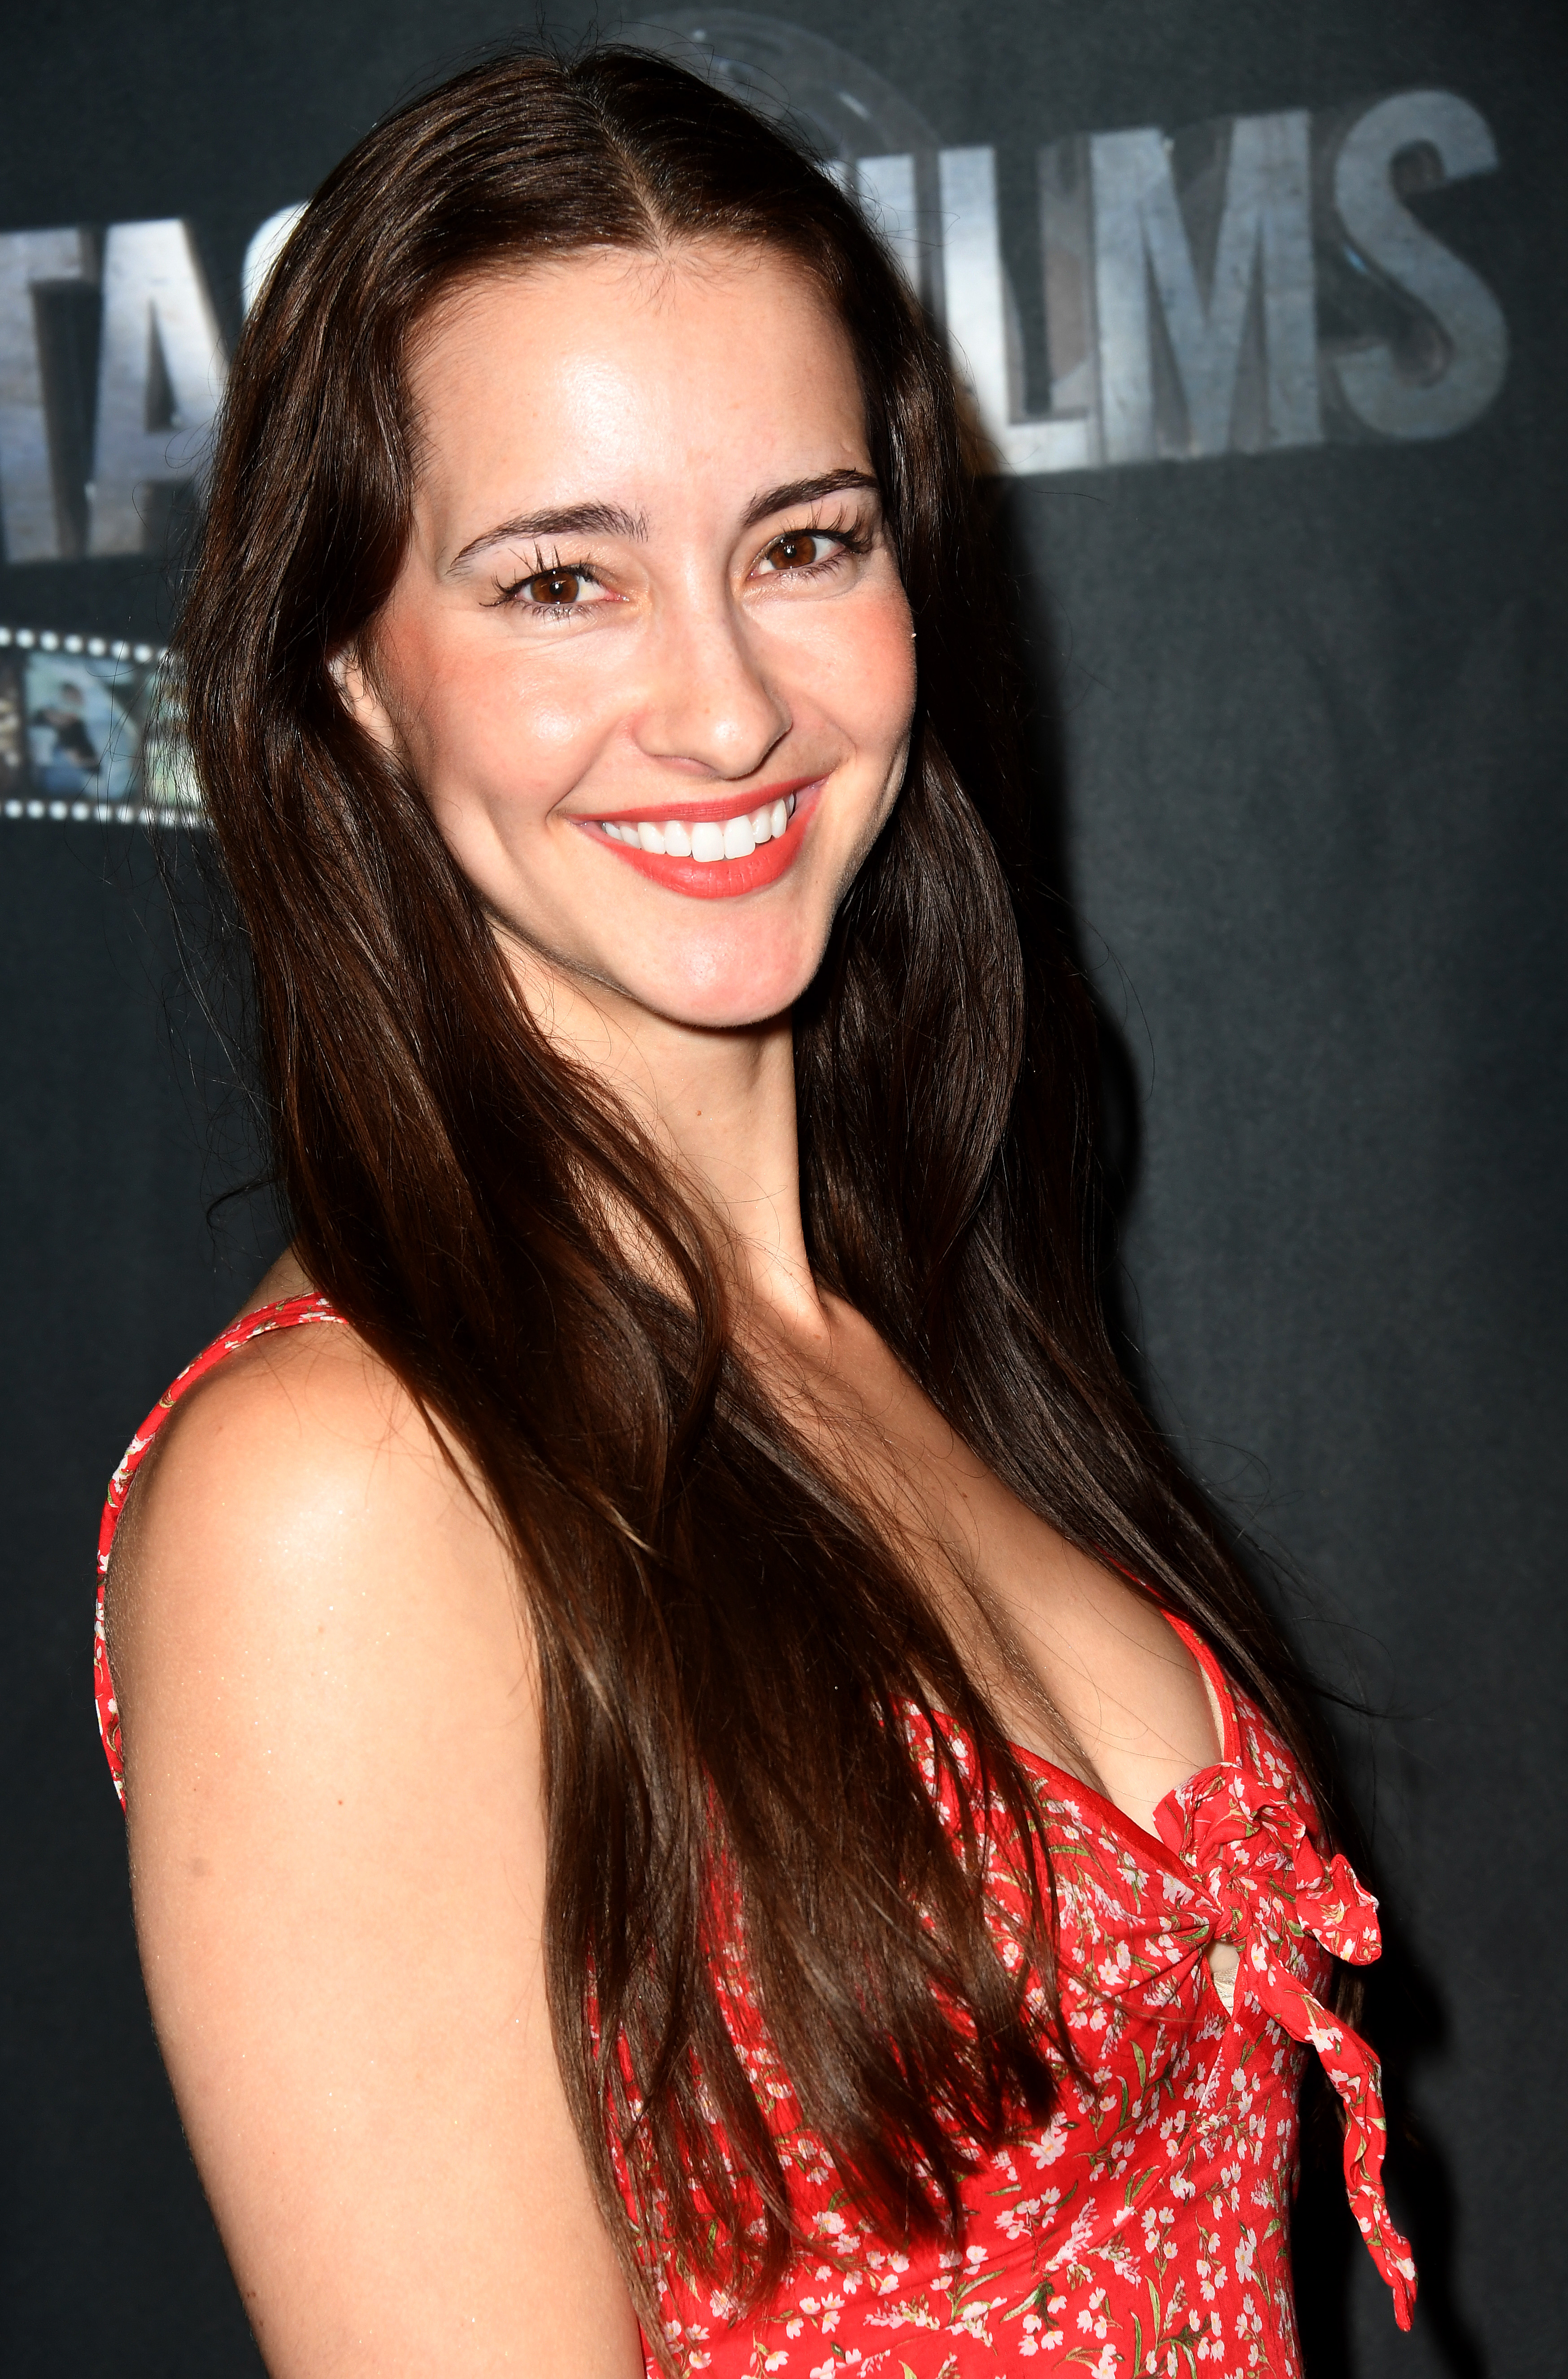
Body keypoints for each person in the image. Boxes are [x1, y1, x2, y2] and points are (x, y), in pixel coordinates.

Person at [96, 47, 1415, 2378]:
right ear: (357, 679)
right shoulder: (344, 1493)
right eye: (561, 581)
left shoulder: (902, 1328)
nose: (722, 710)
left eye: (803, 544)